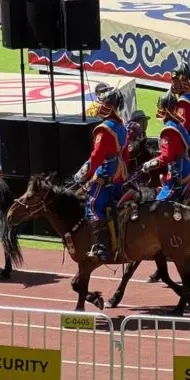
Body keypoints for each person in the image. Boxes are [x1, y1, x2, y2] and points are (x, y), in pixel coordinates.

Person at [76, 88, 128, 263]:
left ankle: (101, 246)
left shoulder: (104, 129)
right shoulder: (122, 126)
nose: (100, 106)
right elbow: (125, 154)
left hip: (106, 171)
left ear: (111, 107)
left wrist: (82, 174)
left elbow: (96, 157)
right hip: (119, 172)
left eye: (103, 104)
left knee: (91, 206)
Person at [143, 92, 190, 202]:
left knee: (159, 203)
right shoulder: (178, 124)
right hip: (187, 165)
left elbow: (166, 157)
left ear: (166, 109)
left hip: (177, 171)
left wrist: (149, 164)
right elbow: (189, 143)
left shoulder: (168, 130)